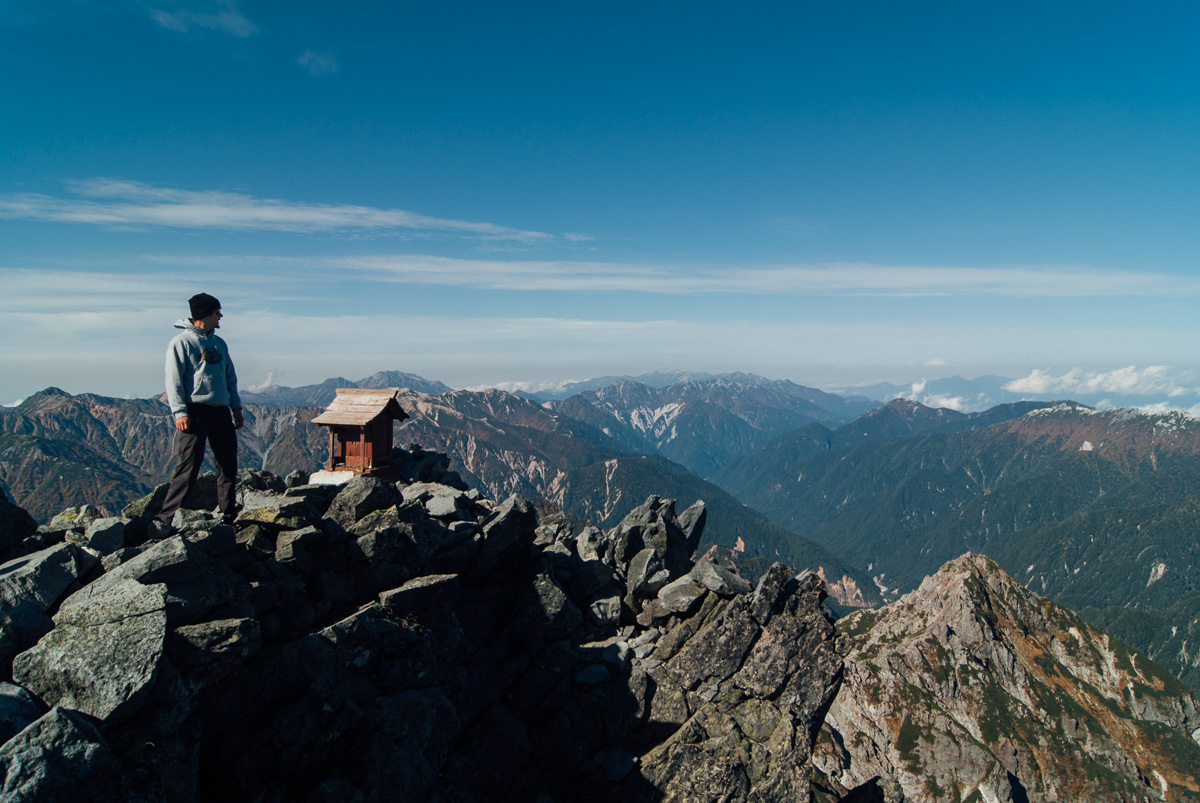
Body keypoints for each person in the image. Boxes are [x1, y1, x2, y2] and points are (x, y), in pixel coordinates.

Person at [159, 293, 245, 525]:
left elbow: (230, 377)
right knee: (188, 466)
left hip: (220, 411)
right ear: (205, 314)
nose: (221, 316)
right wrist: (179, 412)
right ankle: (166, 519)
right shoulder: (181, 342)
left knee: (228, 465)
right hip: (194, 412)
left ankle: (228, 516)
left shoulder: (219, 343)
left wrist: (236, 408)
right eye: (218, 312)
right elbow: (173, 380)